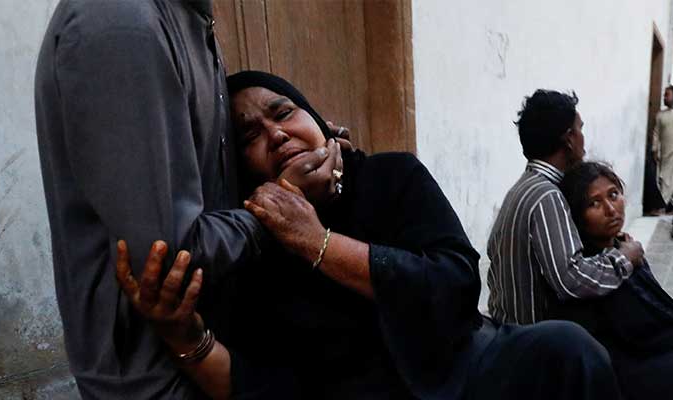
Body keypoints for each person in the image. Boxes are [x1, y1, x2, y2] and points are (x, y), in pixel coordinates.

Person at [116, 71, 623, 400]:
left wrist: (316, 241)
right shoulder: (249, 242)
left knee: (569, 349)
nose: (275, 134)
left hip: (464, 365)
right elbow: (261, 385)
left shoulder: (390, 176)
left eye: (283, 112)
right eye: (249, 136)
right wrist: (184, 337)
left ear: (318, 120)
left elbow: (454, 284)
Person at [34, 1, 342, 398]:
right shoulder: (124, 23)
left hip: (215, 361)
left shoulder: (188, 17)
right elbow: (167, 258)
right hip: (157, 379)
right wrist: (287, 201)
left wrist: (304, 158)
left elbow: (199, 185)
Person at [487, 89, 645, 325]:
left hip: (508, 331)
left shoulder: (523, 187)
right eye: (581, 129)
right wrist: (623, 258)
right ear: (569, 139)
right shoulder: (546, 195)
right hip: (532, 342)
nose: (583, 138)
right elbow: (571, 278)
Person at [557, 161, 673, 400]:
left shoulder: (625, 248)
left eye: (613, 194)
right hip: (632, 372)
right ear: (579, 216)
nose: (611, 209)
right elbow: (642, 332)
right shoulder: (594, 271)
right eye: (594, 203)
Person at [651, 85, 673, 214]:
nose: (664, 97)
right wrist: (654, 149)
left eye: (667, 94)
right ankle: (663, 206)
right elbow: (656, 133)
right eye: (664, 95)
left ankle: (665, 206)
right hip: (665, 152)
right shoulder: (660, 115)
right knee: (664, 178)